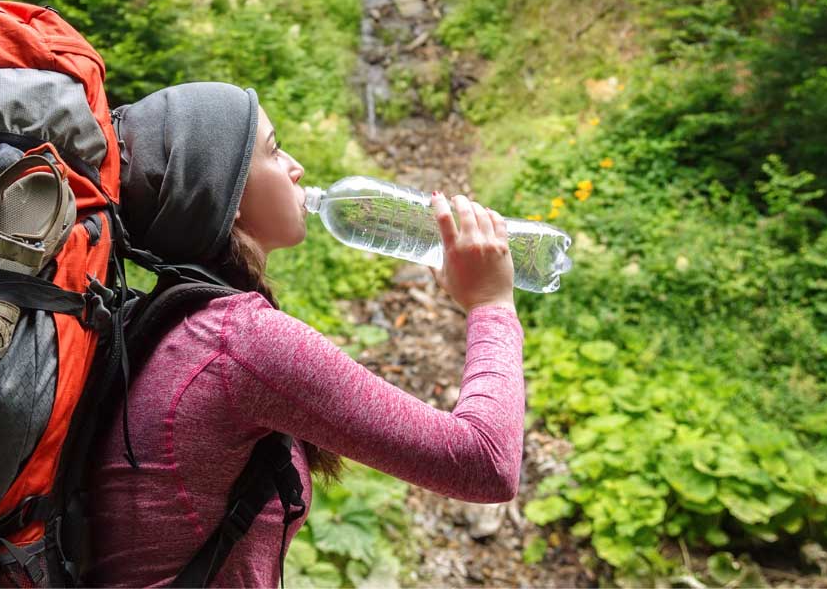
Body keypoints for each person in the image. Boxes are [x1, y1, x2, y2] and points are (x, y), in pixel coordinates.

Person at [87, 82, 524, 587]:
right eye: (274, 152)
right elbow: (485, 462)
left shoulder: (178, 322)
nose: (296, 166)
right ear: (223, 192)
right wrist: (492, 303)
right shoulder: (241, 342)